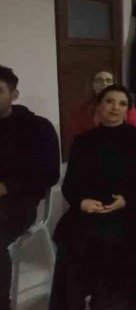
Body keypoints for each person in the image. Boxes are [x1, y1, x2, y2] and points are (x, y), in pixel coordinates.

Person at [50, 85, 136, 309]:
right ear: (98, 106)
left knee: (125, 239)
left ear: (127, 110)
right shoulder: (83, 141)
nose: (115, 108)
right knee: (72, 239)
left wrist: (126, 199)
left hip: (127, 207)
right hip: (88, 208)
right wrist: (82, 202)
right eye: (109, 101)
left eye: (122, 104)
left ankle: (110, 302)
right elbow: (70, 184)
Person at [0, 65, 59, 310]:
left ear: (14, 95)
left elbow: (50, 173)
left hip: (18, 203)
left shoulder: (38, 127)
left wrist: (8, 187)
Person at [70, 70, 136, 140]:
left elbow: (135, 129)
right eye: (99, 80)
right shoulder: (85, 108)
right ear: (92, 85)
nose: (104, 83)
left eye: (108, 80)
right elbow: (78, 132)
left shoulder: (125, 105)